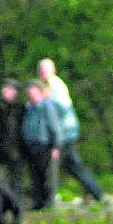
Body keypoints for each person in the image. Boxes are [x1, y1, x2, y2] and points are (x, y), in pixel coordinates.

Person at [38, 58, 105, 203]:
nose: (43, 72)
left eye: (46, 69)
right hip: (62, 135)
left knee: (63, 166)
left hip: (65, 135)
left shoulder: (55, 86)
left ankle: (96, 193)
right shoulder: (46, 86)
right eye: (41, 69)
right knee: (71, 166)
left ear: (53, 70)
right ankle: (93, 192)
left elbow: (63, 111)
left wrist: (60, 137)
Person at [21, 80, 63, 210]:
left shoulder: (47, 107)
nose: (31, 94)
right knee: (36, 176)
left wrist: (56, 146)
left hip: (45, 145)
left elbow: (55, 128)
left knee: (48, 177)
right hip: (32, 146)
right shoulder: (29, 108)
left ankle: (49, 203)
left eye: (33, 91)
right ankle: (38, 202)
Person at [0, 79, 26, 202]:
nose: (4, 91)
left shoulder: (21, 109)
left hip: (16, 151)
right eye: (4, 88)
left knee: (16, 180)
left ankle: (17, 203)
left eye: (8, 89)